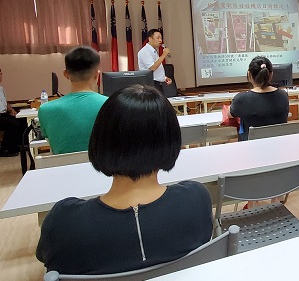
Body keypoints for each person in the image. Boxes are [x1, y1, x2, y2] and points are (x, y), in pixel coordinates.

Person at [36, 85, 213, 275]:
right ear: (171, 139)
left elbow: (47, 259)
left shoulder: (63, 222)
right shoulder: (197, 199)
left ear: (100, 140)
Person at [38, 46, 108, 154]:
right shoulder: (110, 104)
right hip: (101, 169)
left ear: (66, 74)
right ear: (97, 74)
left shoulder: (45, 110)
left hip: (63, 170)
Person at [229, 56, 289, 141]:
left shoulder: (241, 99)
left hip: (250, 150)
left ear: (249, 74)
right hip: (278, 148)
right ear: (271, 75)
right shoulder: (283, 96)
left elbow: (229, 114)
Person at [0, 68, 27, 157]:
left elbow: (5, 103)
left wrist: (11, 110)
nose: (0, 76)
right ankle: (6, 149)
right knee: (12, 123)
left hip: (3, 114)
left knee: (21, 120)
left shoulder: (1, 88)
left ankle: (21, 144)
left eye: (0, 74)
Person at [138, 29, 172, 93]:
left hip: (157, 84)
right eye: (158, 38)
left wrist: (164, 78)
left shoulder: (154, 51)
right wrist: (164, 55)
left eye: (161, 38)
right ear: (150, 39)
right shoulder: (145, 51)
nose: (160, 40)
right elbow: (152, 67)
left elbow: (157, 68)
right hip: (150, 85)